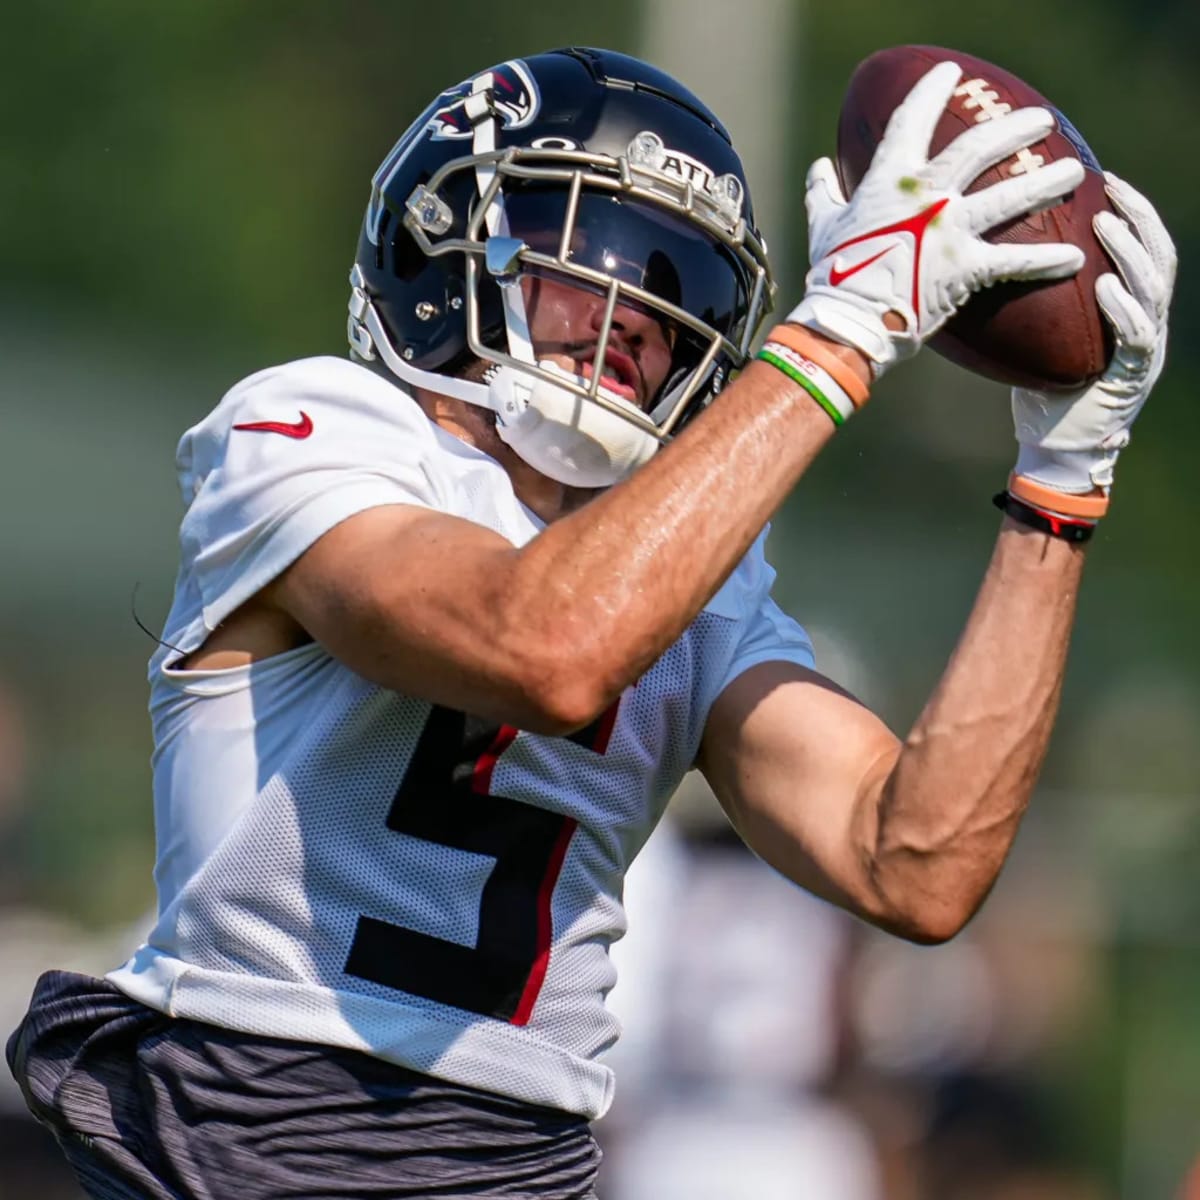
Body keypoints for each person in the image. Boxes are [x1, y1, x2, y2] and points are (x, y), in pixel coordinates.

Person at [6, 45, 1173, 1200]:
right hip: (254, 1131)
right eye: (595, 251)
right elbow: (544, 650)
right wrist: (841, 330)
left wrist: (1060, 485)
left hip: (531, 1163)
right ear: (454, 241)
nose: (639, 311)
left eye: (679, 285)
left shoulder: (693, 575)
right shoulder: (319, 426)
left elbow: (912, 861)